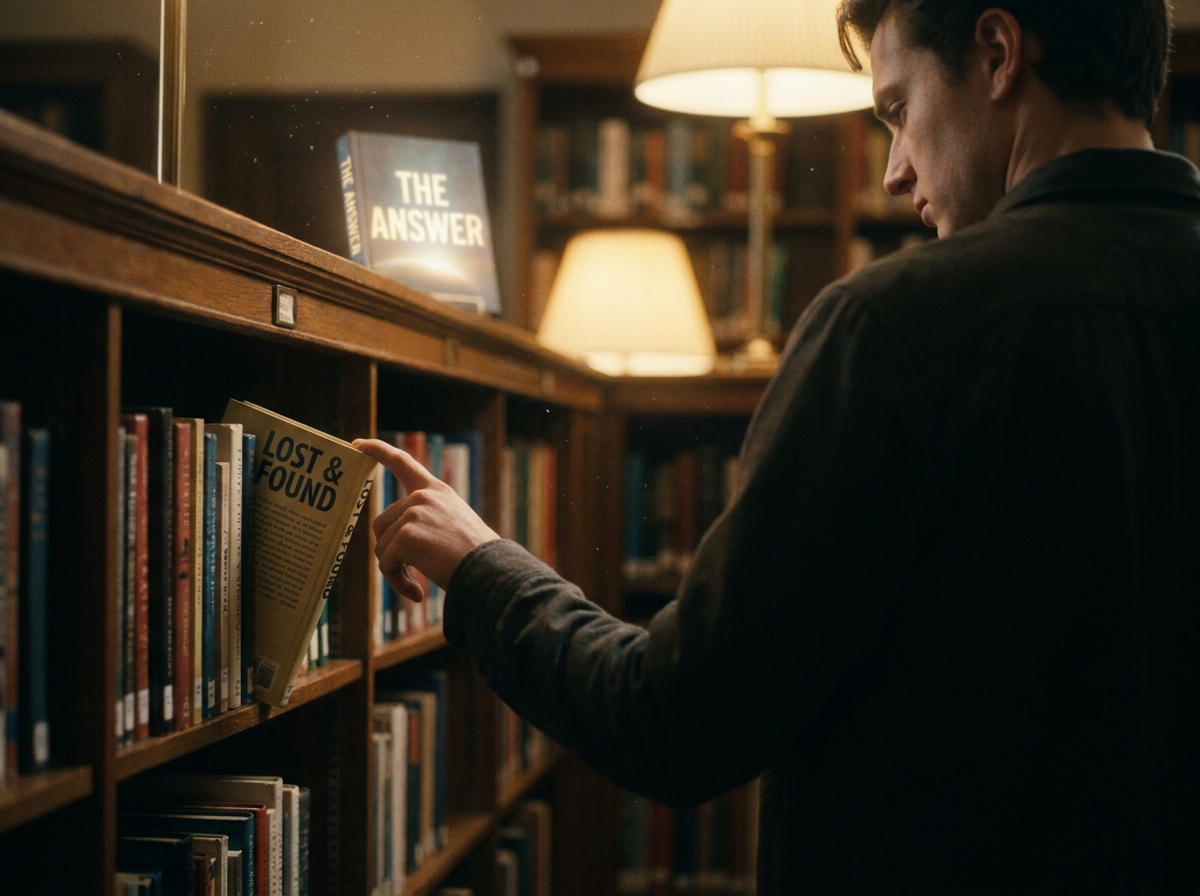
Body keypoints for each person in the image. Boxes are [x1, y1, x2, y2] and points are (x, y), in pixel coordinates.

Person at [355, 0, 1199, 889]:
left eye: (899, 111)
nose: (893, 173)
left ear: (996, 54)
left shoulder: (895, 328)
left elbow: (677, 724)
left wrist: (484, 567)